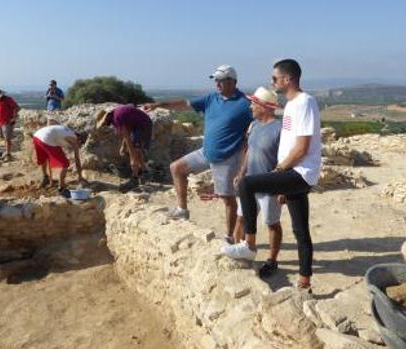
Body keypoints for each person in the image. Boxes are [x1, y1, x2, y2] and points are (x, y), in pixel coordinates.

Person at [221, 59, 322, 291]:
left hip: (298, 173)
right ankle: (305, 282)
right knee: (301, 230)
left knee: (246, 185)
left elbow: (302, 148)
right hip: (295, 173)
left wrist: (279, 172)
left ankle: (249, 244)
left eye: (274, 78)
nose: (272, 82)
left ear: (287, 79)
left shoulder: (305, 102)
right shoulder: (291, 105)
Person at [144, 65, 252, 240]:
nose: (216, 83)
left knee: (227, 199)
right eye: (215, 80)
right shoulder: (211, 98)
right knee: (176, 168)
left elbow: (256, 128)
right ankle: (182, 210)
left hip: (228, 157)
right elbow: (185, 104)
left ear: (233, 82)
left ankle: (229, 237)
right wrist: (159, 104)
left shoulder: (245, 104)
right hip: (206, 152)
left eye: (221, 80)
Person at [223, 86, 283, 278]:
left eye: (253, 103)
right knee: (242, 217)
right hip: (249, 184)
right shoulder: (255, 125)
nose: (250, 107)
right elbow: (249, 151)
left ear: (264, 106)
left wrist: (283, 189)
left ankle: (272, 261)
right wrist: (241, 172)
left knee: (272, 223)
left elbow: (284, 159)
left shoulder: (280, 129)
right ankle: (242, 248)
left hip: (269, 185)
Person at [95, 104, 153, 193]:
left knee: (135, 149)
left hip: (143, 125)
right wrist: (123, 146)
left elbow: (128, 138)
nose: (106, 125)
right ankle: (144, 172)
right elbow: (127, 133)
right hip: (137, 125)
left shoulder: (117, 117)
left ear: (107, 117)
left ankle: (135, 178)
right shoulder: (116, 115)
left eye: (104, 123)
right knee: (135, 149)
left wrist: (132, 160)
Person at [32, 119, 87, 197]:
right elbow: (77, 160)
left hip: (37, 136)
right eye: (81, 143)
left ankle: (45, 178)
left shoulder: (66, 129)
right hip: (47, 139)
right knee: (65, 163)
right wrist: (80, 177)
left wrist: (50, 131)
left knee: (44, 157)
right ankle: (61, 188)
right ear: (80, 139)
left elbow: (50, 120)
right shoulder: (74, 140)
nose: (80, 146)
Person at [0, 87, 20, 160]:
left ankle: (8, 153)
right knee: (3, 137)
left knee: (7, 138)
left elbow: (16, 108)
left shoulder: (8, 99)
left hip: (8, 122)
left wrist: (13, 118)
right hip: (0, 122)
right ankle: (6, 152)